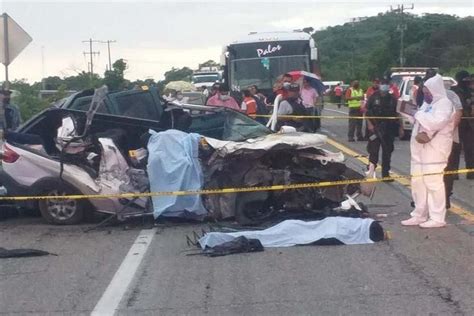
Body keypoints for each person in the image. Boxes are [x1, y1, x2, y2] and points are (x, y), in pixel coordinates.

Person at [401, 74, 455, 228]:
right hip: (420, 150)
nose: (426, 95)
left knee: (433, 183)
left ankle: (437, 217)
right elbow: (420, 119)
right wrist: (409, 113)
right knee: (418, 182)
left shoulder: (444, 104)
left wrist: (417, 114)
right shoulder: (427, 103)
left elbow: (435, 122)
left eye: (428, 92)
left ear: (436, 90)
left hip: (435, 151)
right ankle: (419, 214)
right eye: (424, 92)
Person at [366, 80, 402, 179]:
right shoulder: (373, 97)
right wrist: (369, 124)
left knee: (387, 152)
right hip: (375, 128)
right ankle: (371, 173)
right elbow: (366, 111)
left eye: (386, 84)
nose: (384, 86)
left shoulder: (392, 99)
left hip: (389, 129)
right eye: (383, 84)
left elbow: (397, 114)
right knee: (373, 152)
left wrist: (401, 128)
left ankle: (385, 174)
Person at [444, 82, 463, 209]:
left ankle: (445, 197)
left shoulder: (451, 95)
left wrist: (449, 129)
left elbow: (459, 111)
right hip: (430, 143)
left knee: (448, 170)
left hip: (450, 140)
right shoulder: (427, 97)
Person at [452, 70, 474, 179]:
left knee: (470, 149)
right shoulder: (453, 92)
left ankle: (471, 171)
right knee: (455, 149)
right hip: (457, 123)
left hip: (470, 123)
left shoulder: (471, 91)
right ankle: (453, 172)